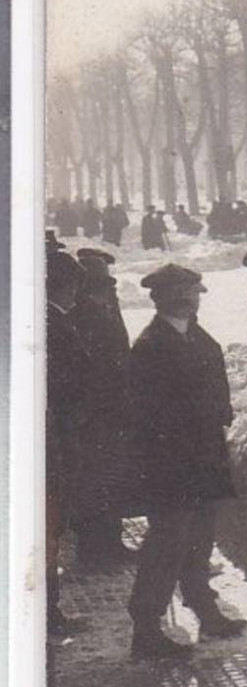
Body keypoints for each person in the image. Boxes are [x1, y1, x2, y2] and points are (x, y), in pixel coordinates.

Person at [126, 264, 247, 660]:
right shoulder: (149, 347)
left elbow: (217, 392)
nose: (188, 299)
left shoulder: (199, 338)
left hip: (203, 459)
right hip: (170, 465)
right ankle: (146, 629)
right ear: (159, 299)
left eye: (193, 292)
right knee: (167, 544)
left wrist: (219, 413)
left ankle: (205, 610)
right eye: (179, 293)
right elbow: (148, 415)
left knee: (199, 542)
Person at [70, 249, 137, 569]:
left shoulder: (102, 312)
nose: (105, 293)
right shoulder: (87, 318)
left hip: (111, 410)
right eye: (100, 286)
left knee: (110, 479)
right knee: (96, 481)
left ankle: (109, 543)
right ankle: (95, 551)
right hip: (99, 413)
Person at [45, 243, 88, 635]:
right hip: (55, 442)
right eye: (72, 285)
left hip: (57, 439)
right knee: (48, 530)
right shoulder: (53, 326)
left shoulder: (53, 321)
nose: (76, 292)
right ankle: (48, 614)